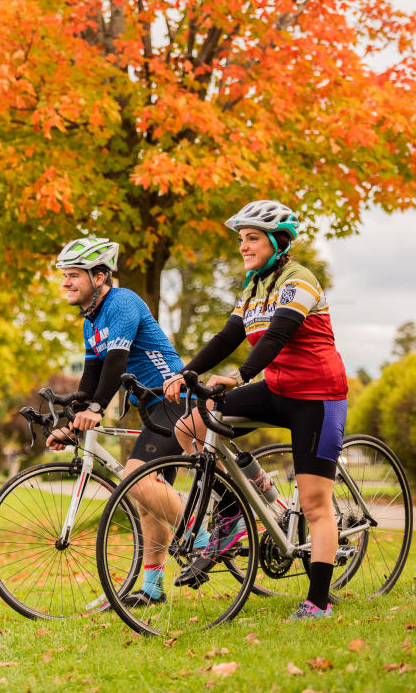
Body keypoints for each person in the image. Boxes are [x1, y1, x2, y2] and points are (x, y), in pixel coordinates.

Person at [162, 200, 348, 621]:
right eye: (242, 239)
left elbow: (279, 333)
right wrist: (185, 372)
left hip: (317, 396)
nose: (244, 246)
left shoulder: (300, 279)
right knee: (192, 427)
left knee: (317, 505)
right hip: (278, 389)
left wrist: (241, 375)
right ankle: (235, 514)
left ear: (277, 241)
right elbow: (228, 335)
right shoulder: (252, 287)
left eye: (252, 238)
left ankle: (319, 601)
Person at [49, 236, 190, 607]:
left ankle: (201, 536)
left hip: (174, 399)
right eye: (63, 275)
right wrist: (70, 421)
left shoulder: (123, 301)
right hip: (149, 407)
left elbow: (116, 362)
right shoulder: (90, 322)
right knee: (147, 499)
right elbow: (91, 379)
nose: (65, 282)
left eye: (73, 275)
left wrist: (96, 409)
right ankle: (153, 586)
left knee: (136, 479)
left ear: (98, 276)